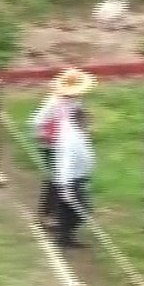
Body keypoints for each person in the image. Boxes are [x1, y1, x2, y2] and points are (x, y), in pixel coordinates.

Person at [29, 68, 96, 227]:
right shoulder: (54, 102)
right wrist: (46, 138)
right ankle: (48, 215)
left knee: (62, 179)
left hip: (68, 144)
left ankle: (55, 214)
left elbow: (78, 119)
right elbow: (37, 122)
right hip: (52, 145)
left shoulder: (78, 101)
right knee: (57, 179)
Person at [53, 106, 97, 249]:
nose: (89, 122)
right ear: (80, 120)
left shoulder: (78, 134)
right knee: (81, 209)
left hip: (76, 178)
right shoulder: (71, 138)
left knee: (69, 210)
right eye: (86, 119)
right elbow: (66, 163)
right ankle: (64, 236)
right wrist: (66, 187)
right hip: (70, 180)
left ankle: (65, 236)